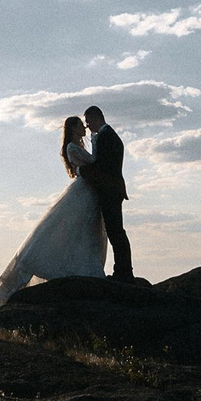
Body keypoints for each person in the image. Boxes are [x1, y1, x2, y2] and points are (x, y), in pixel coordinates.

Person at [0, 114, 107, 302]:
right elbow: (93, 163)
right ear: (74, 128)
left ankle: (82, 266)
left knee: (83, 230)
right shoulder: (72, 147)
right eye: (80, 125)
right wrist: (96, 140)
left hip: (88, 190)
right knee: (71, 229)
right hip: (83, 191)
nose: (84, 127)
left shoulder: (77, 147)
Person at [78, 104, 133, 281]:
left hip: (110, 189)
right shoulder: (108, 135)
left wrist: (81, 171)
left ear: (95, 118)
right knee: (115, 231)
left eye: (88, 122)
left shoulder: (106, 137)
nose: (87, 127)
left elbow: (102, 166)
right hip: (112, 189)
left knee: (115, 231)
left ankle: (124, 272)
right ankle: (123, 270)